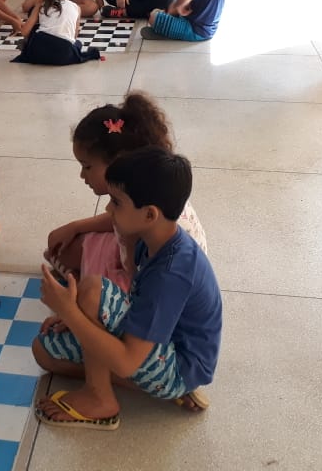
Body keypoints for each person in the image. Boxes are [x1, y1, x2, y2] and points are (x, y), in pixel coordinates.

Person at [33, 146, 222, 429]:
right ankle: (154, 388)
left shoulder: (171, 273)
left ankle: (100, 399)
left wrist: (70, 312)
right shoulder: (152, 239)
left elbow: (127, 362)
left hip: (179, 365)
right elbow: (133, 299)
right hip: (158, 343)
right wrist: (78, 316)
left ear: (150, 214)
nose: (108, 209)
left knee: (92, 289)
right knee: (44, 351)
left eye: (117, 202)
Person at [45, 92, 208, 294]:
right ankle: (81, 279)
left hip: (152, 279)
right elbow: (116, 219)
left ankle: (81, 284)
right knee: (57, 245)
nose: (82, 175)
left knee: (90, 294)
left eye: (87, 167)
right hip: (130, 255)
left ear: (117, 161)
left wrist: (73, 306)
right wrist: (75, 227)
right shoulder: (134, 189)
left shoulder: (150, 215)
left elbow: (141, 285)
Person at [12, 0, 99, 66]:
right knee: (77, 43)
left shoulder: (42, 6)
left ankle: (29, 46)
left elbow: (24, 32)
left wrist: (37, 5)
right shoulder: (76, 8)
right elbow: (74, 37)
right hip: (64, 54)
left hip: (39, 51)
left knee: (36, 29)